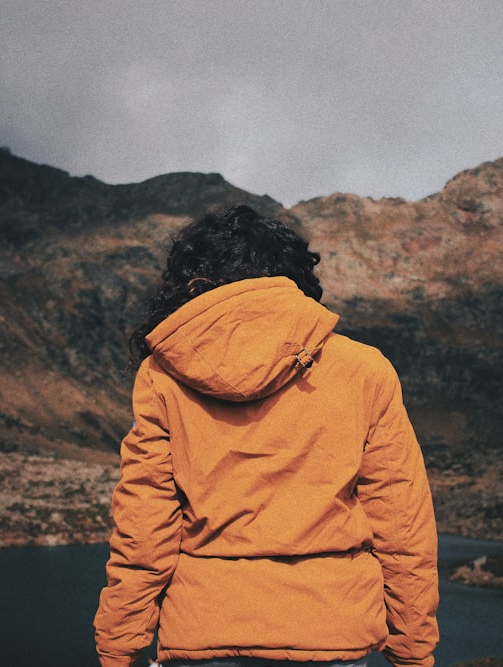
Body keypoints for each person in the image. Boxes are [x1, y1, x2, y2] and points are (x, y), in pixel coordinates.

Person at [93, 205, 439, 667]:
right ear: (294, 272)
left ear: (194, 278)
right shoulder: (364, 369)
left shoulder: (163, 375)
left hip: (204, 632)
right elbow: (402, 527)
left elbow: (143, 528)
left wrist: (118, 647)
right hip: (331, 634)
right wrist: (413, 651)